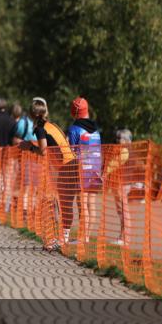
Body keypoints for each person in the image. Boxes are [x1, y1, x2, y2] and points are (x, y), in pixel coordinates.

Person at [20, 97, 76, 251]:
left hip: (66, 167)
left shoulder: (40, 129)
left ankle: (61, 240)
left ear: (32, 115)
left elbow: (44, 151)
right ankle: (63, 238)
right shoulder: (53, 125)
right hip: (72, 164)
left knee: (62, 204)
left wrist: (29, 147)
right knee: (65, 204)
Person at [67, 97, 102, 244]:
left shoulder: (74, 129)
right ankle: (87, 236)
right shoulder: (96, 129)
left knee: (82, 203)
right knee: (91, 204)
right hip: (95, 168)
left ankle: (82, 238)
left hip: (82, 169)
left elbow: (70, 151)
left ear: (74, 113)